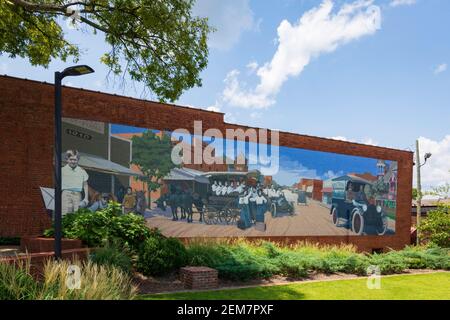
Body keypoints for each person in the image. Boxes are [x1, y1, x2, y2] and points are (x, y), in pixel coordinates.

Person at [61, 150, 89, 215]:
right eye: (71, 159)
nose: (73, 161)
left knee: (77, 214)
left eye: (75, 160)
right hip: (66, 194)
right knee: (66, 214)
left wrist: (86, 198)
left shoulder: (81, 171)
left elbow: (85, 184)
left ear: (78, 160)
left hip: (77, 194)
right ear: (67, 159)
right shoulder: (62, 170)